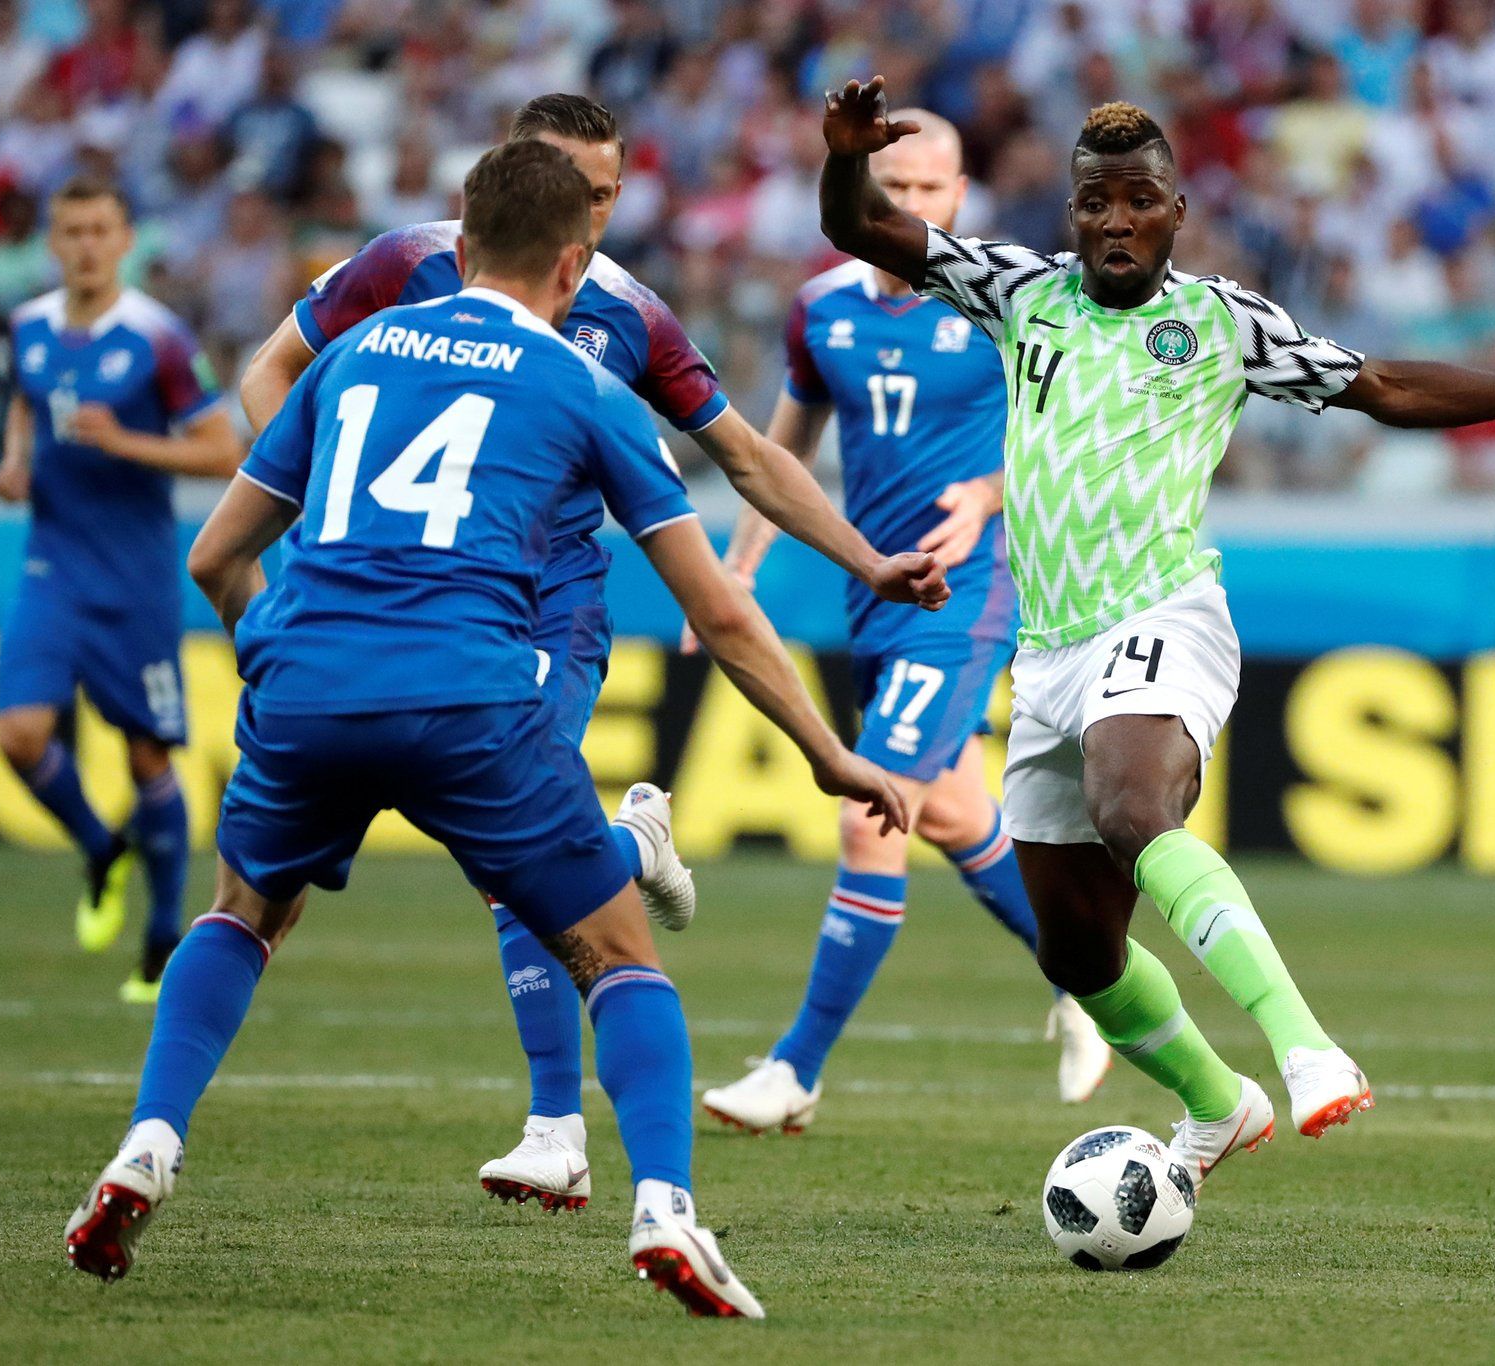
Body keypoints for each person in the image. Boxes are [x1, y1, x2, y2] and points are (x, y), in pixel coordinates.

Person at [62, 141, 914, 1319]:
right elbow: (718, 610)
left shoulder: (353, 351)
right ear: (572, 268)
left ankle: (144, 1147)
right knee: (619, 954)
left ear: (458, 246)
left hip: (307, 680)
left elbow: (214, 556)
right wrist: (827, 752)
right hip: (470, 692)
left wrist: (278, 653)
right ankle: (664, 1207)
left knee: (243, 912)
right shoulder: (582, 383)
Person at [818, 79, 1495, 1188]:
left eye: (1139, 201)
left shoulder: (1224, 322)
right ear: (1071, 213)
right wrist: (845, 156)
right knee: (1077, 952)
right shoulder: (1017, 290)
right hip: (1049, 651)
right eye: (1095, 202)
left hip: (1162, 611)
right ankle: (1218, 1104)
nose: (1116, 220)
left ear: (1176, 212)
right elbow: (859, 225)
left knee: (1134, 808)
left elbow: (1385, 385)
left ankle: (1305, 1046)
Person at [236, 92, 946, 1213]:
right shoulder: (404, 266)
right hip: (415, 598)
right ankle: (623, 862)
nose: (590, 212)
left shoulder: (625, 315)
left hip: (548, 600)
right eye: (571, 186)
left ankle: (554, 1127)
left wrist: (867, 560)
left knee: (506, 864)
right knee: (503, 860)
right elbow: (268, 373)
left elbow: (749, 458)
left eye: (607, 193)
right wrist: (330, 532)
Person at [698, 112, 1112, 1136]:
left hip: (968, 593)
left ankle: (795, 1069)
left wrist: (991, 492)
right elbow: (779, 454)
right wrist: (738, 569)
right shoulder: (820, 310)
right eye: (897, 187)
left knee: (868, 809)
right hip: (874, 598)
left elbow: (1087, 430)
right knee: (957, 816)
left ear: (960, 196)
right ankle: (1094, 981)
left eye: (932, 190)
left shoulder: (1008, 302)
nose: (913, 206)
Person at [0, 176, 240, 1002]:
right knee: (18, 735)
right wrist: (14, 459)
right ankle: (102, 849)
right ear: (53, 242)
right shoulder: (27, 325)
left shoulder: (158, 337)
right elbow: (26, 402)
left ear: (126, 239)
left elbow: (223, 451)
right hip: (51, 564)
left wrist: (126, 442)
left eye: (101, 230)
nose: (87, 246)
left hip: (135, 575)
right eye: (72, 232)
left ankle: (162, 939)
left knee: (146, 755)